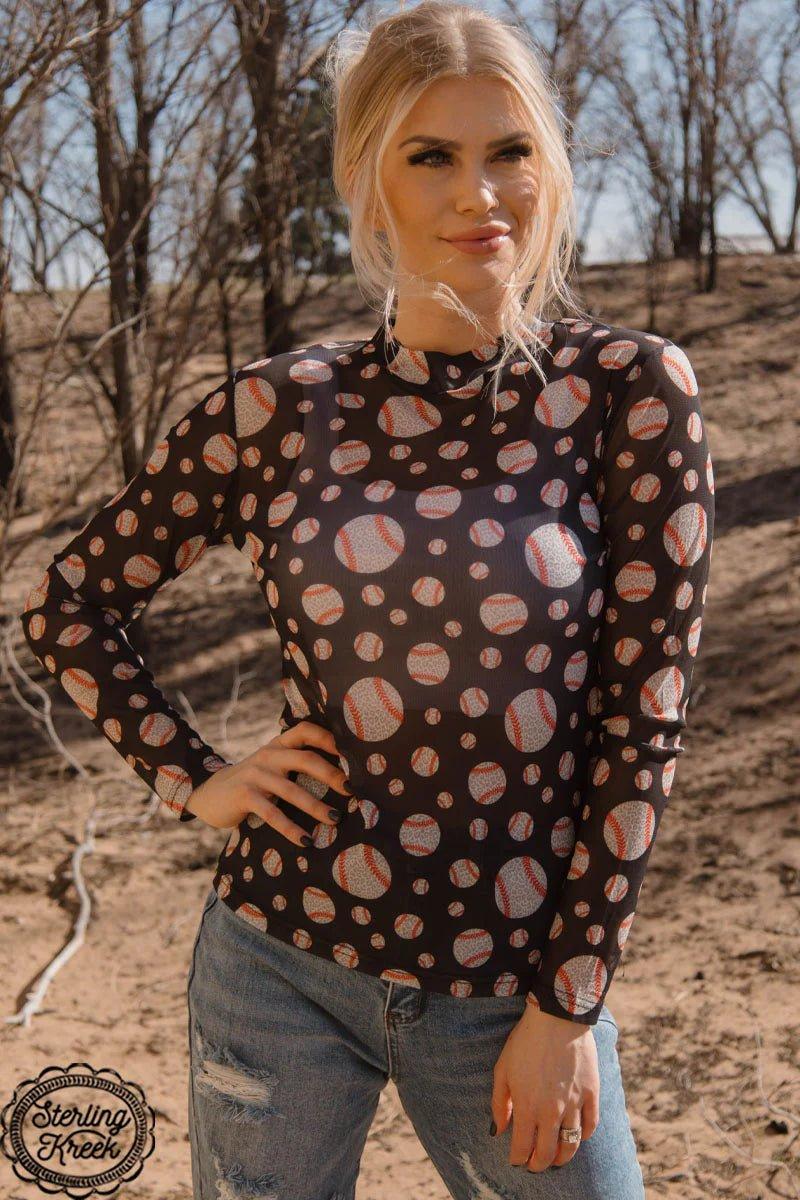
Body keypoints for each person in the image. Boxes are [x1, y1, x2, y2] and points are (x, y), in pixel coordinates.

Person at [17, 1, 714, 1196]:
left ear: (548, 166)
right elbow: (70, 604)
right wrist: (193, 777)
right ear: (366, 181)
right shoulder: (278, 408)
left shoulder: (627, 392)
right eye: (429, 155)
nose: (477, 195)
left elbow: (639, 724)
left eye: (508, 151)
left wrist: (566, 1005)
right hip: (276, 964)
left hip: (513, 988)